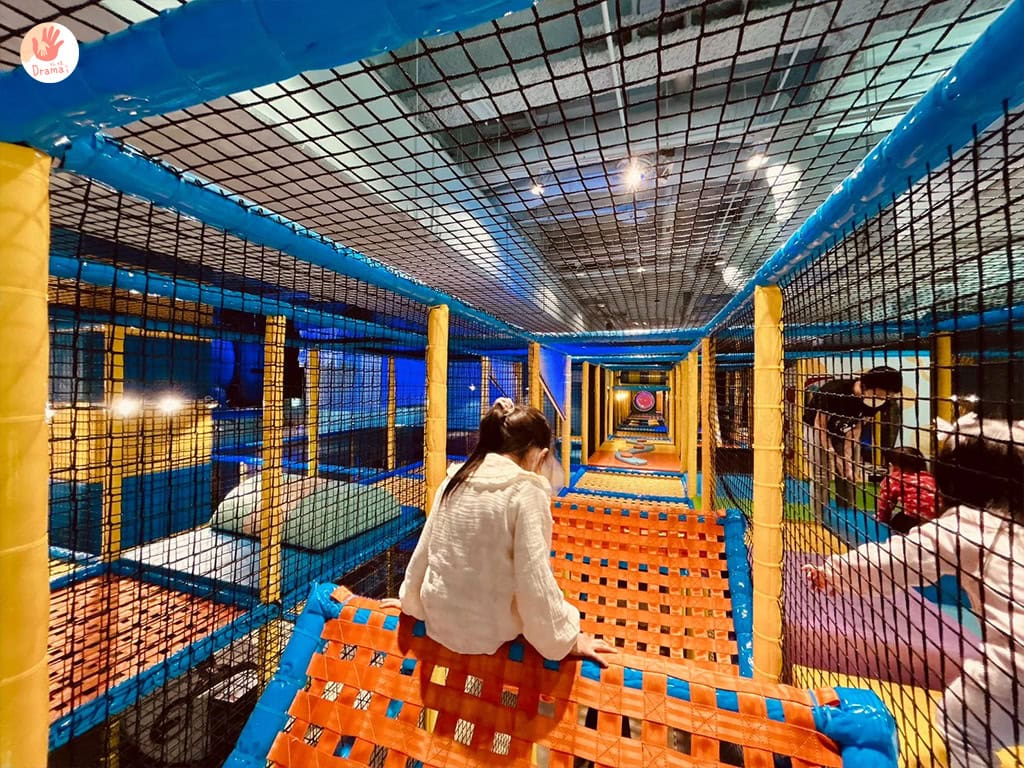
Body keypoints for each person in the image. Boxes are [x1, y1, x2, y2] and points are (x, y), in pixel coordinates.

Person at [804, 414, 1024, 767]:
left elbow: (901, 558)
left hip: (1017, 663)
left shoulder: (973, 525)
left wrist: (835, 572)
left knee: (961, 722)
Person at [382, 397, 613, 667]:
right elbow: (534, 580)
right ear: (540, 455)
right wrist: (566, 640)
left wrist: (410, 601)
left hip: (439, 622)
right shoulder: (526, 491)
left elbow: (425, 550)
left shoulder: (453, 481)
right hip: (488, 633)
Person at [802, 366, 903, 514]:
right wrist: (833, 454)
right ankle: (819, 515)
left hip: (844, 430)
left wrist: (847, 459)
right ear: (869, 386)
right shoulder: (834, 390)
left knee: (848, 473)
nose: (886, 398)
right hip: (817, 428)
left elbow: (857, 427)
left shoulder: (877, 401)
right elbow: (820, 426)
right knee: (821, 473)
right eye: (885, 394)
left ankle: (847, 514)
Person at [875, 446, 939, 534]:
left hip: (914, 522)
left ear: (891, 466)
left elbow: (884, 504)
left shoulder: (894, 478)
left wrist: (881, 518)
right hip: (937, 521)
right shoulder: (929, 478)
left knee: (898, 519)